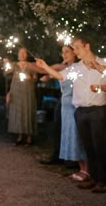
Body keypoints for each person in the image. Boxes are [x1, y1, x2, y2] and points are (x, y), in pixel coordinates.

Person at [36, 34, 106, 193]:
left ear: (87, 46)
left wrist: (97, 69)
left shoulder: (103, 63)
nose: (75, 51)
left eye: (77, 47)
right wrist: (45, 66)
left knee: (99, 146)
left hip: (97, 111)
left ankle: (103, 181)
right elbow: (61, 75)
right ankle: (93, 178)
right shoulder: (76, 68)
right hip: (80, 112)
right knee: (88, 147)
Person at [36, 46, 87, 179]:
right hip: (64, 105)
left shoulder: (78, 68)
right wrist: (47, 74)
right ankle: (77, 165)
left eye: (67, 52)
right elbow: (51, 73)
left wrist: (45, 68)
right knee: (67, 134)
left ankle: (85, 169)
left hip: (74, 104)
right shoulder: (63, 67)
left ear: (74, 53)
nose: (64, 54)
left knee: (77, 135)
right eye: (62, 52)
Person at [5, 47, 39, 145]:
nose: (23, 55)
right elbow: (6, 72)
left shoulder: (32, 65)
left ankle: (29, 137)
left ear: (27, 55)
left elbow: (35, 79)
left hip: (28, 91)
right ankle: (19, 136)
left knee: (28, 111)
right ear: (18, 55)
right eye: (21, 53)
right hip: (16, 91)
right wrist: (6, 63)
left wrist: (30, 79)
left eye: (24, 53)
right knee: (18, 112)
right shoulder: (15, 65)